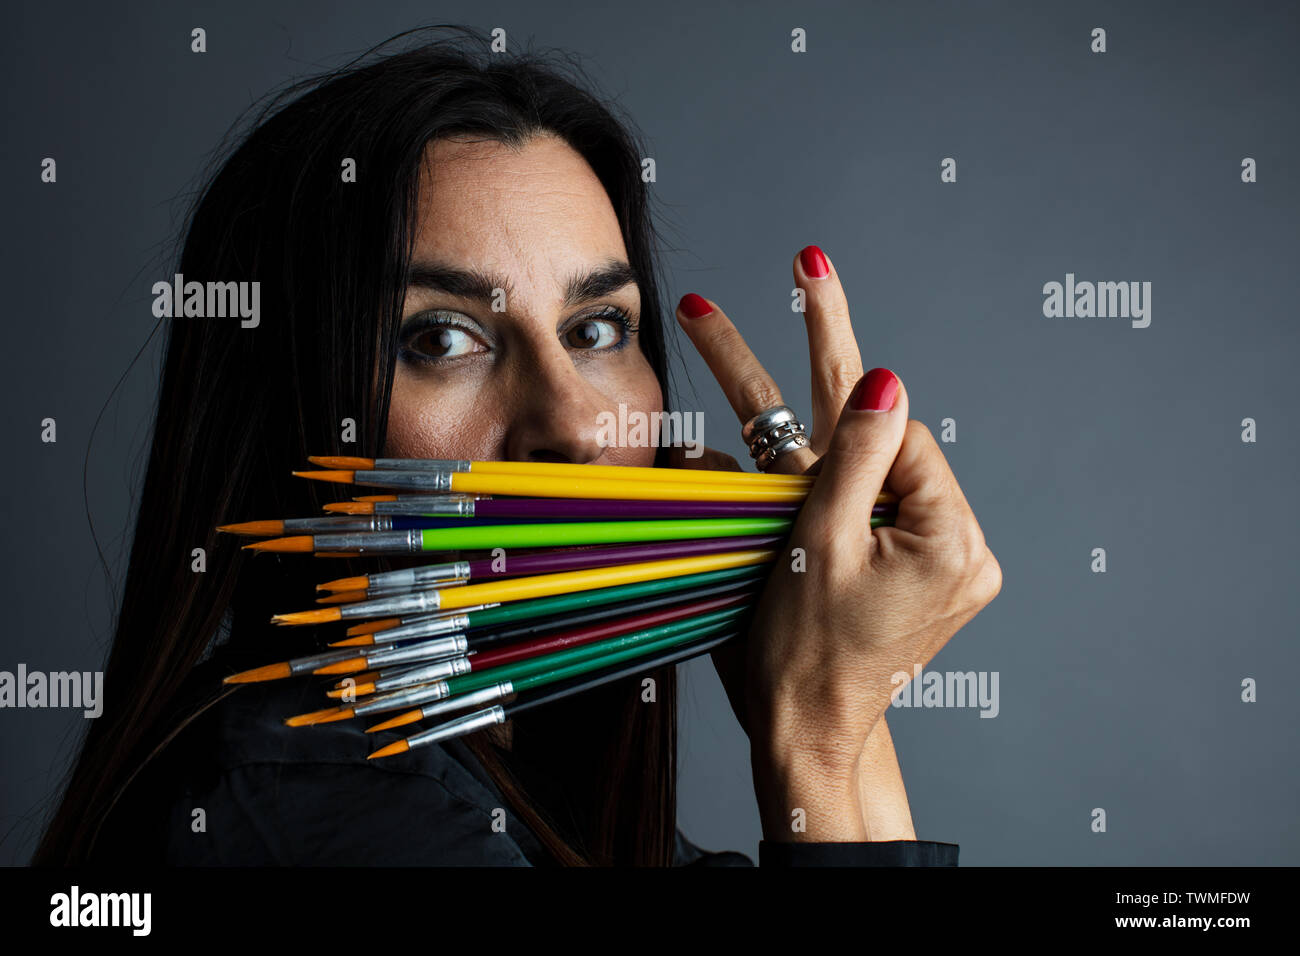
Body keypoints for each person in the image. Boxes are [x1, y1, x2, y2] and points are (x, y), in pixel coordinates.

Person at [32, 26, 1000, 867]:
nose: (579, 425)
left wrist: (839, 692)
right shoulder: (305, 807)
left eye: (596, 329)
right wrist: (820, 735)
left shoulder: (512, 773)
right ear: (284, 409)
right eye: (442, 338)